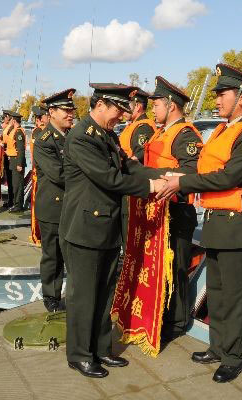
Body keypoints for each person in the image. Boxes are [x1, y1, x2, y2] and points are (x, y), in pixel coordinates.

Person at [156, 64, 242, 383]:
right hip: (217, 222)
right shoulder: (222, 130)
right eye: (217, 94)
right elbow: (207, 171)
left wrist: (182, 182)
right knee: (218, 292)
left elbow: (229, 177)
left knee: (234, 295)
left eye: (223, 94)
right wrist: (180, 176)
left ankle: (234, 356)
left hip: (237, 225)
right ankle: (219, 346)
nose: (217, 100)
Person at [59, 83, 164, 378]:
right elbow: (110, 179)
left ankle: (101, 349)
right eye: (118, 110)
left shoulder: (107, 135)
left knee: (105, 294)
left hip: (105, 226)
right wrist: (151, 186)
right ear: (101, 105)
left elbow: (127, 167)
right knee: (84, 297)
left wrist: (167, 176)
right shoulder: (81, 137)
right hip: (85, 229)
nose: (121, 116)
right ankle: (80, 354)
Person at [144, 76, 203, 343]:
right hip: (158, 209)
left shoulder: (185, 135)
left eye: (156, 104)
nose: (153, 109)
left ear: (171, 105)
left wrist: (150, 175)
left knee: (176, 267)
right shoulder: (160, 132)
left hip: (177, 211)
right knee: (159, 267)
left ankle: (177, 321)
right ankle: (160, 314)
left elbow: (190, 171)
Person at [34, 89, 76, 313]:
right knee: (53, 256)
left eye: (72, 110)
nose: (71, 114)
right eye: (66, 110)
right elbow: (58, 174)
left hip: (72, 205)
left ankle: (76, 295)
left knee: (73, 254)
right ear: (51, 112)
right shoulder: (44, 141)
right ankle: (51, 296)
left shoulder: (72, 136)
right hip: (53, 206)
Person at [118, 88, 156, 248]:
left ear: (138, 106)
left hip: (134, 187)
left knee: (132, 239)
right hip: (128, 186)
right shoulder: (133, 125)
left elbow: (140, 154)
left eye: (127, 105)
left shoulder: (143, 127)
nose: (123, 109)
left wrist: (122, 165)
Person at [5, 112, 26, 213]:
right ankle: (15, 203)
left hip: (17, 160)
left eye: (11, 120)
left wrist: (19, 164)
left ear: (13, 121)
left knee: (18, 184)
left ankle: (18, 205)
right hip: (13, 160)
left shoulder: (18, 132)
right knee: (15, 184)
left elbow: (21, 149)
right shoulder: (14, 131)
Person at [0, 110, 14, 208]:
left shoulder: (10, 128)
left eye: (4, 117)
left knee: (11, 179)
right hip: (6, 156)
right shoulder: (7, 128)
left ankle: (11, 200)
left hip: (9, 156)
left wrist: (2, 143)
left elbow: (8, 142)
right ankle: (10, 199)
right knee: (8, 180)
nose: (3, 119)